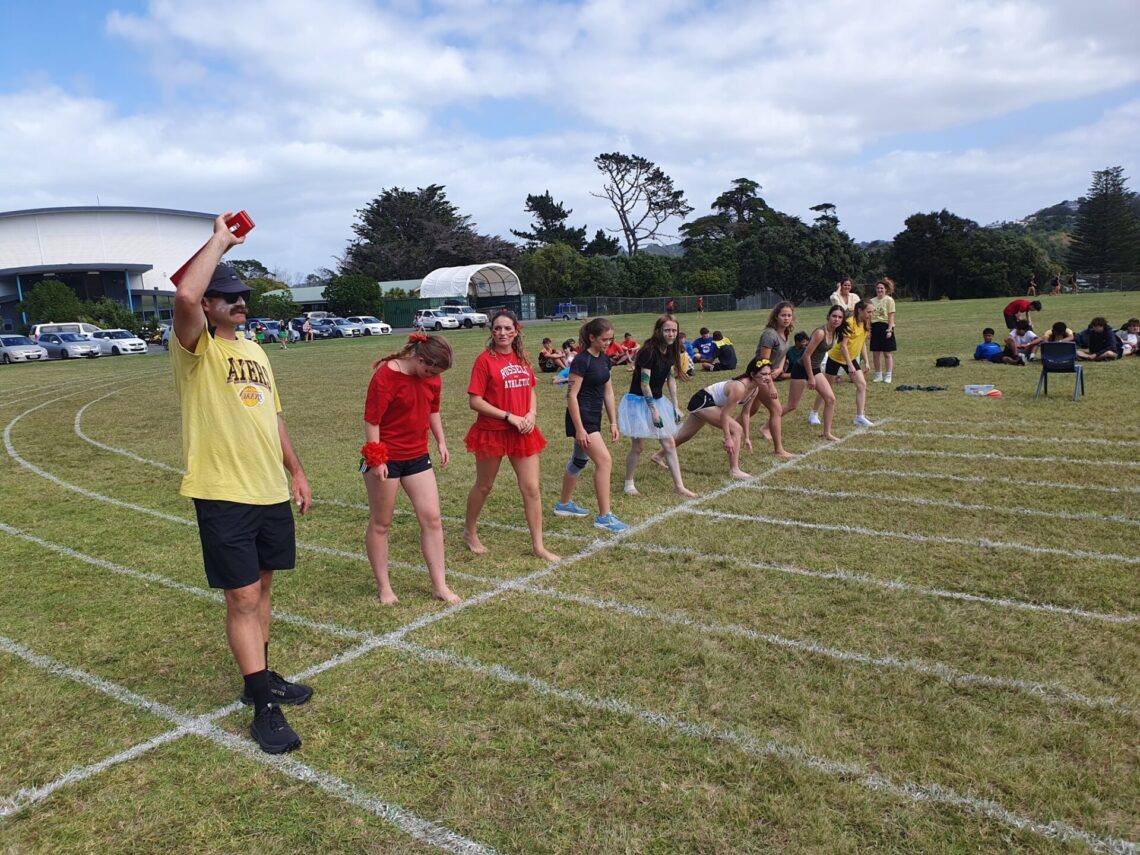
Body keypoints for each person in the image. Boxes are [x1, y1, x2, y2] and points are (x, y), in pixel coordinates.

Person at [170, 213, 313, 756]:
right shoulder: (194, 347)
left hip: (269, 489)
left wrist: (295, 470)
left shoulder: (255, 351)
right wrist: (219, 242)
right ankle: (262, 704)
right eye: (226, 295)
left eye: (241, 296)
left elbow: (272, 418)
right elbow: (185, 297)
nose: (238, 302)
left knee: (265, 590)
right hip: (223, 489)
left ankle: (264, 673)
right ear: (208, 304)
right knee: (243, 596)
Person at [362, 333, 460, 606]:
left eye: (437, 374)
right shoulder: (386, 376)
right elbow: (372, 421)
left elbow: (432, 410)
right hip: (386, 456)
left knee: (432, 518)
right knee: (382, 522)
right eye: (429, 370)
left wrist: (440, 441)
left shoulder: (432, 377)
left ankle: (439, 585)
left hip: (417, 455)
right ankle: (384, 587)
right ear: (419, 358)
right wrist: (377, 458)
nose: (432, 377)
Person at [463, 311, 559, 562]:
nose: (502, 333)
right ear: (491, 331)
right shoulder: (484, 361)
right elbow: (475, 401)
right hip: (492, 431)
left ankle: (538, 545)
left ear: (516, 330)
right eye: (497, 329)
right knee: (484, 485)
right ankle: (469, 531)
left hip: (523, 431)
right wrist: (508, 416)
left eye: (507, 328)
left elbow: (530, 390)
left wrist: (531, 413)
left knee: (532, 489)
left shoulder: (522, 358)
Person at [555, 317, 628, 532]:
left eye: (610, 339)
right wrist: (579, 428)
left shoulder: (605, 360)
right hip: (582, 417)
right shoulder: (581, 360)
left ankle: (564, 505)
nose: (608, 343)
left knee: (579, 461)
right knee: (604, 462)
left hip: (595, 417)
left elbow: (608, 391)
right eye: (604, 339)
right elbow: (571, 396)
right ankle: (604, 517)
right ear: (592, 337)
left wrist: (613, 423)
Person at [618, 314, 696, 498]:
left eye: (674, 330)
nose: (671, 334)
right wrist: (654, 412)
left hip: (658, 400)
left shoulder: (670, 350)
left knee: (669, 443)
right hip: (639, 402)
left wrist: (675, 406)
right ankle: (629, 483)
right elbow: (645, 384)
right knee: (638, 446)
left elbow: (670, 378)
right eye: (667, 330)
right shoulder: (648, 351)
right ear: (659, 331)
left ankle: (679, 486)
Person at [659, 358, 773, 480]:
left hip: (708, 403)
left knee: (684, 436)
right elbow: (725, 414)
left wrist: (747, 438)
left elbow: (745, 414)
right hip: (702, 401)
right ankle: (734, 470)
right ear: (752, 374)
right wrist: (728, 438)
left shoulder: (754, 389)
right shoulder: (740, 387)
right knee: (736, 429)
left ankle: (657, 456)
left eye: (769, 374)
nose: (768, 377)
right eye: (763, 374)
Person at [742, 301, 794, 459]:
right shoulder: (769, 334)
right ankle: (779, 450)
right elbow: (763, 364)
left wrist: (779, 368)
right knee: (776, 410)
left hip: (769, 375)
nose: (786, 318)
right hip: (760, 377)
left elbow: (784, 350)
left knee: (752, 410)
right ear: (776, 316)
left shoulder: (785, 332)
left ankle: (730, 432)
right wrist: (771, 385)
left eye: (789, 315)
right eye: (783, 315)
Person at [786, 305, 847, 441]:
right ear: (828, 317)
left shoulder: (835, 332)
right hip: (802, 368)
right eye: (834, 316)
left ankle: (827, 433)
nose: (836, 319)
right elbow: (806, 355)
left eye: (840, 317)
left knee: (830, 399)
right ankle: (766, 427)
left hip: (815, 368)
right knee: (792, 405)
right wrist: (811, 378)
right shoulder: (821, 333)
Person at [823, 300, 874, 427]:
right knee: (826, 388)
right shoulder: (850, 323)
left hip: (850, 358)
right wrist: (850, 365)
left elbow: (862, 343)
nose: (871, 314)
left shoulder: (866, 323)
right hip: (836, 357)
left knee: (862, 384)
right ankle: (813, 413)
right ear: (860, 310)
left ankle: (859, 416)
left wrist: (866, 362)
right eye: (869, 311)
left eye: (872, 312)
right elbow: (843, 346)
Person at [869, 277, 897, 383]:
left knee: (887, 353)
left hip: (885, 327)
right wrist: (869, 331)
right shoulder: (871, 301)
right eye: (878, 288)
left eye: (882, 288)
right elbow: (869, 317)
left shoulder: (889, 300)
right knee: (875, 353)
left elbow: (891, 316)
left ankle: (888, 375)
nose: (880, 290)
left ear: (885, 289)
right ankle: (878, 375)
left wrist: (890, 330)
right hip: (875, 328)